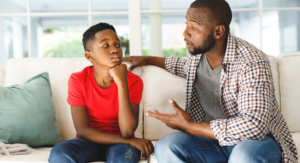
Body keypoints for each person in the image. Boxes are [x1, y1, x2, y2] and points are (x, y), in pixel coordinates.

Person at [123, 0, 298, 162]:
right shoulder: (197, 56)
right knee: (166, 145)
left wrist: (192, 126)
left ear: (218, 32)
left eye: (194, 27)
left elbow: (254, 126)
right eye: (187, 24)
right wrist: (147, 59)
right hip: (213, 142)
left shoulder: (251, 61)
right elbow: (180, 65)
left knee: (243, 155)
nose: (185, 33)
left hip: (257, 142)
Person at [48, 22, 154, 163]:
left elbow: (127, 131)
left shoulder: (134, 81)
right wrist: (130, 141)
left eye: (117, 44)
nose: (115, 49)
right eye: (106, 45)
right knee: (59, 154)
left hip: (121, 145)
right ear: (89, 56)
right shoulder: (78, 80)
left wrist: (121, 83)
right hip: (88, 141)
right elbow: (83, 130)